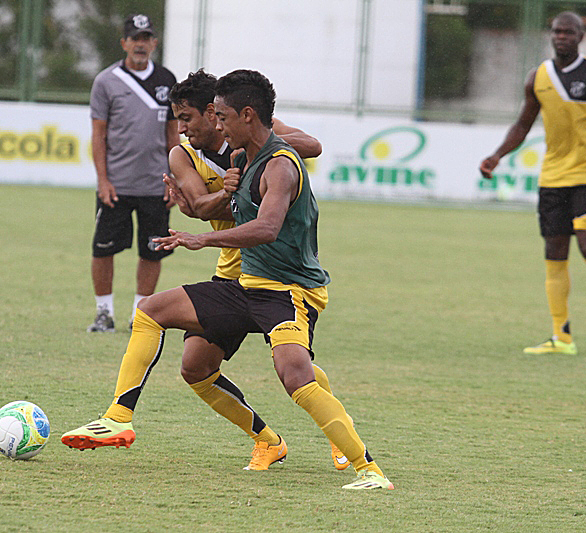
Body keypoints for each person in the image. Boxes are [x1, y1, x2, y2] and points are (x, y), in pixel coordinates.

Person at [63, 69, 393, 490]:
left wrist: (203, 235)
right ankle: (119, 419)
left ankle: (368, 468)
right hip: (241, 282)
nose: (199, 127)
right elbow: (202, 206)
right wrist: (210, 203)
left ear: (245, 116)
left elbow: (268, 225)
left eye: (216, 116)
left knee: (294, 371)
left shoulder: (276, 163)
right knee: (169, 334)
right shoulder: (227, 158)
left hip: (289, 288)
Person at [163, 69, 351, 471]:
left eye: (187, 117)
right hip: (231, 270)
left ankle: (344, 440)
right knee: (194, 365)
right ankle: (267, 442)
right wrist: (221, 193)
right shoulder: (186, 154)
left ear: (217, 112)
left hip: (272, 274)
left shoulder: (256, 138)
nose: (182, 128)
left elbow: (312, 145)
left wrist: (260, 149)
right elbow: (197, 209)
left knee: (291, 367)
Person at [480, 11, 586, 356]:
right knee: (555, 254)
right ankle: (562, 337)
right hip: (554, 178)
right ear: (551, 35)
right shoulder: (537, 77)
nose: (562, 37)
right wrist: (497, 155)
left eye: (568, 32)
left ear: (580, 36)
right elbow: (523, 124)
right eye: (557, 31)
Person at [87, 13, 179, 333]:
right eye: (134, 39)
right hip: (117, 184)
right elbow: (98, 135)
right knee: (103, 249)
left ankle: (140, 313)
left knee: (153, 251)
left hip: (156, 184)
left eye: (146, 38)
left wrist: (174, 180)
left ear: (154, 43)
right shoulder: (106, 81)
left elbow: (173, 137)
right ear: (124, 42)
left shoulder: (167, 80)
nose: (140, 45)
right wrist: (103, 179)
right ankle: (104, 312)